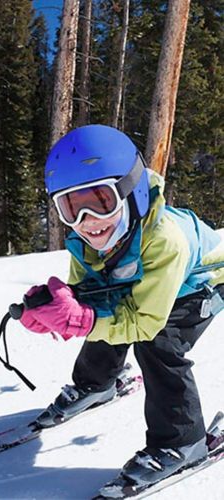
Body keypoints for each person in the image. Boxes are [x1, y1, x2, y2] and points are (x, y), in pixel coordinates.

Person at [19, 124, 223, 495]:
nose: (87, 223)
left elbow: (143, 323)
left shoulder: (165, 241)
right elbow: (92, 300)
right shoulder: (85, 244)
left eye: (99, 202)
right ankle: (95, 384)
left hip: (198, 286)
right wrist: (55, 309)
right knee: (102, 312)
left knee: (159, 342)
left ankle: (181, 442)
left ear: (133, 191)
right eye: (70, 208)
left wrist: (83, 320)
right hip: (154, 287)